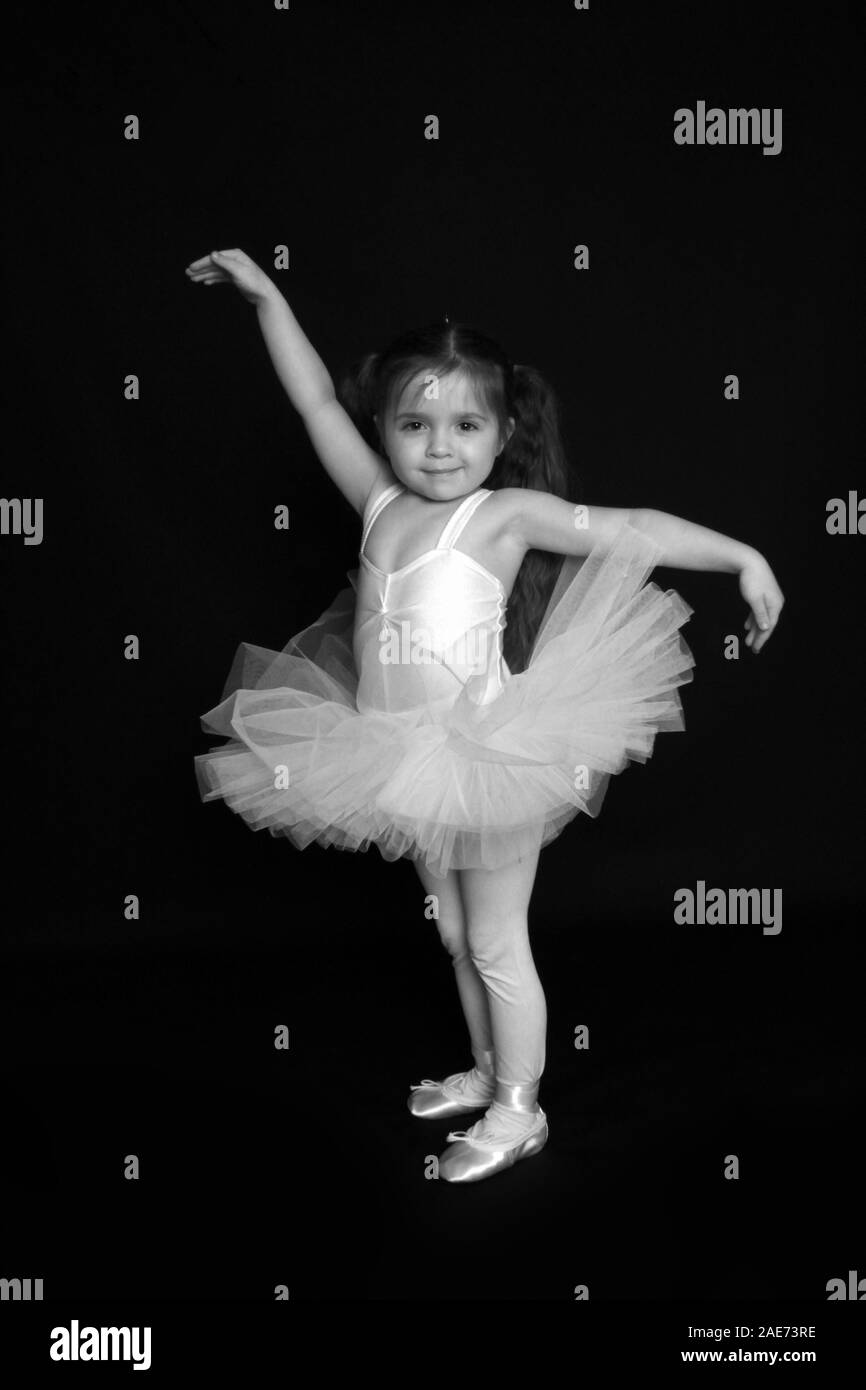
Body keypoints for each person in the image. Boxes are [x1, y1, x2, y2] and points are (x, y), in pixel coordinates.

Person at [187, 248, 785, 1184]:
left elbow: (631, 530)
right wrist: (268, 298)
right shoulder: (376, 500)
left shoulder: (503, 515)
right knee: (454, 932)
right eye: (414, 423)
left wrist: (743, 556)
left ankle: (521, 1110)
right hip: (396, 753)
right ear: (383, 429)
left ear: (502, 431)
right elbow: (311, 402)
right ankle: (483, 1070)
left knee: (501, 938)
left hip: (489, 752)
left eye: (465, 424)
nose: (438, 446)